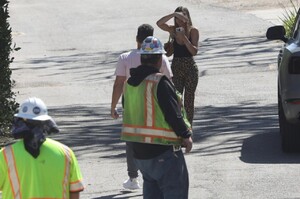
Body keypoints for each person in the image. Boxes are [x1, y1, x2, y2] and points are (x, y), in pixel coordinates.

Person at [121, 36, 193, 199]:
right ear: (160, 58)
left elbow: (128, 110)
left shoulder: (130, 83)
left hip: (139, 153)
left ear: (141, 57)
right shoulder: (159, 81)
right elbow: (172, 113)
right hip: (163, 152)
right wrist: (186, 135)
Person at [110, 24, 173, 190]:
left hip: (132, 103)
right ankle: (156, 172)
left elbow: (119, 84)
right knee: (156, 135)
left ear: (137, 38)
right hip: (156, 102)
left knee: (132, 139)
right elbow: (169, 82)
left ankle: (133, 177)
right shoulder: (161, 58)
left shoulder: (125, 58)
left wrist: (113, 106)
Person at [0, 97, 84, 199]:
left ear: (20, 121)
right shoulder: (66, 153)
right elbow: (74, 191)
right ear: (46, 122)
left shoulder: (5, 155)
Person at [157, 6, 199, 126]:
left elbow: (194, 52)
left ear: (187, 17)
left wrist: (184, 39)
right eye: (177, 18)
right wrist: (173, 14)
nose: (180, 21)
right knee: (176, 99)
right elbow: (159, 23)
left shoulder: (193, 31)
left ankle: (188, 128)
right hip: (176, 67)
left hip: (190, 67)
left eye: (182, 18)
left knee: (189, 101)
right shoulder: (173, 30)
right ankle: (178, 126)